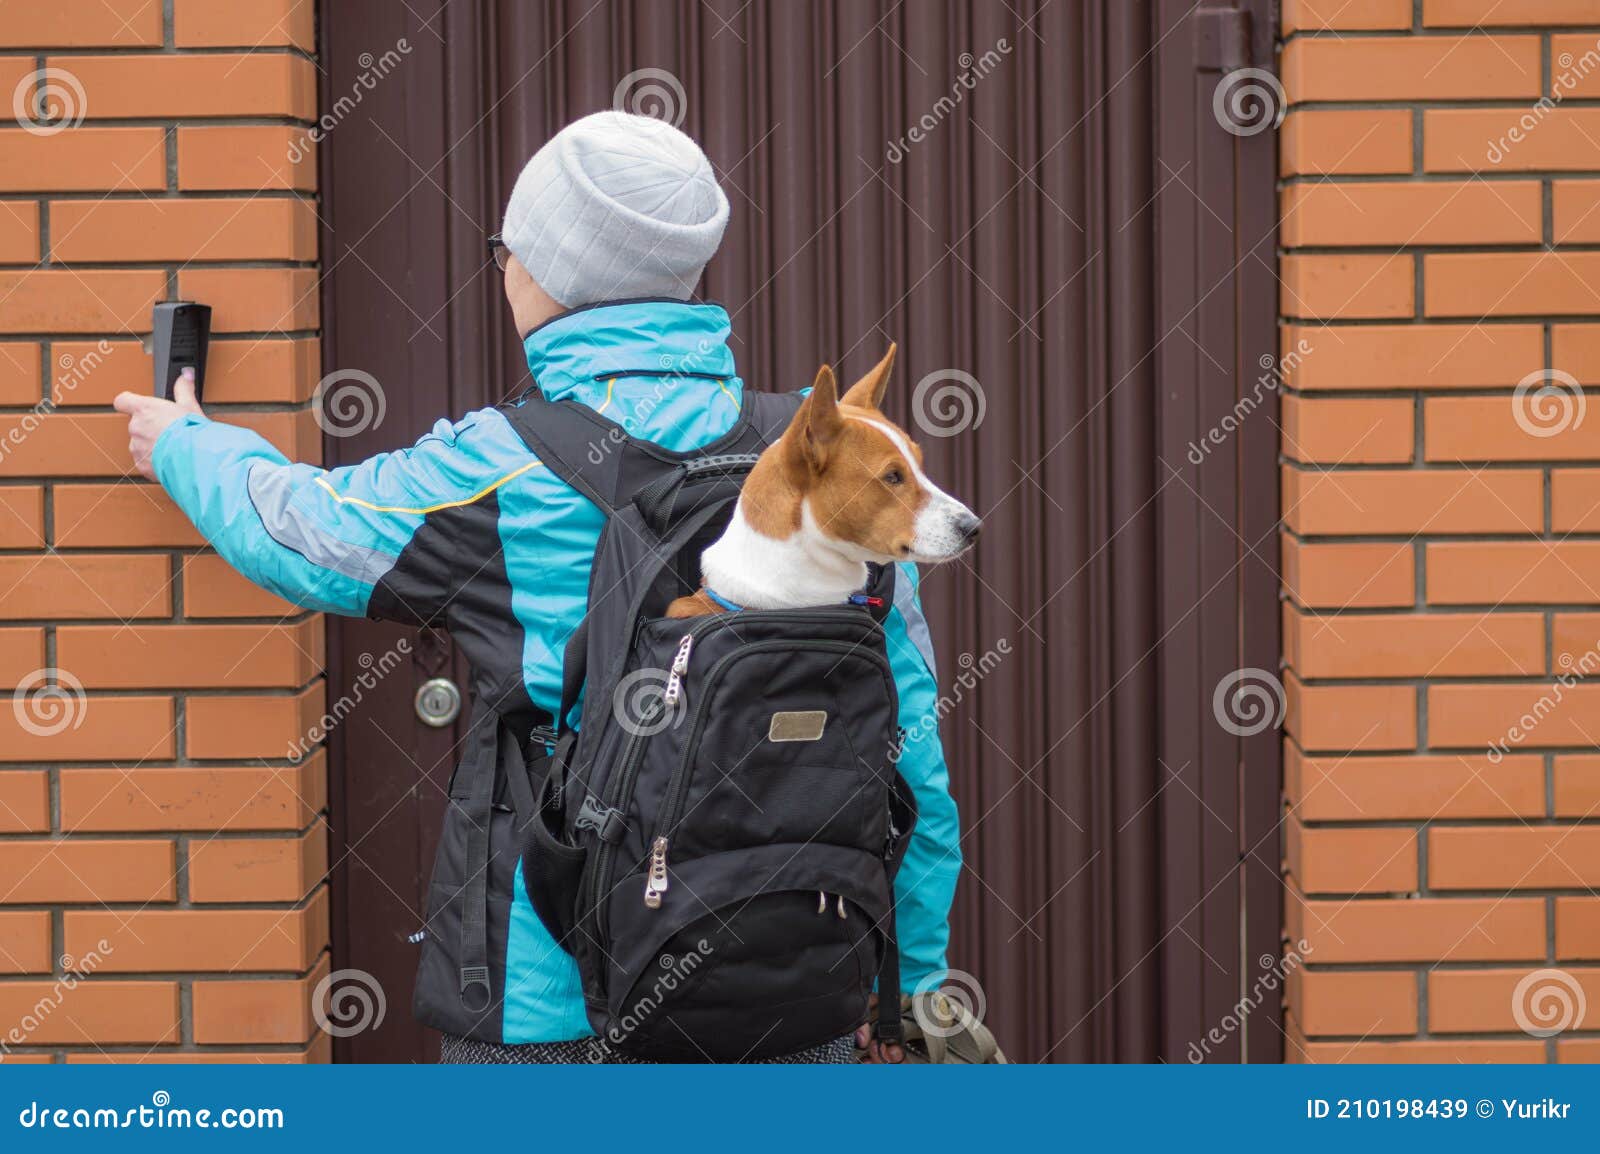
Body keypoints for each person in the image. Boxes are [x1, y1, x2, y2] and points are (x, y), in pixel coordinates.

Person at [115, 111, 961, 1063]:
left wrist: (186, 443)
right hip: (793, 984)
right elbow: (911, 753)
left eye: (507, 250)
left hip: (552, 1000)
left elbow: (300, 530)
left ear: (546, 274)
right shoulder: (836, 472)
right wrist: (908, 985)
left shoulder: (505, 464)